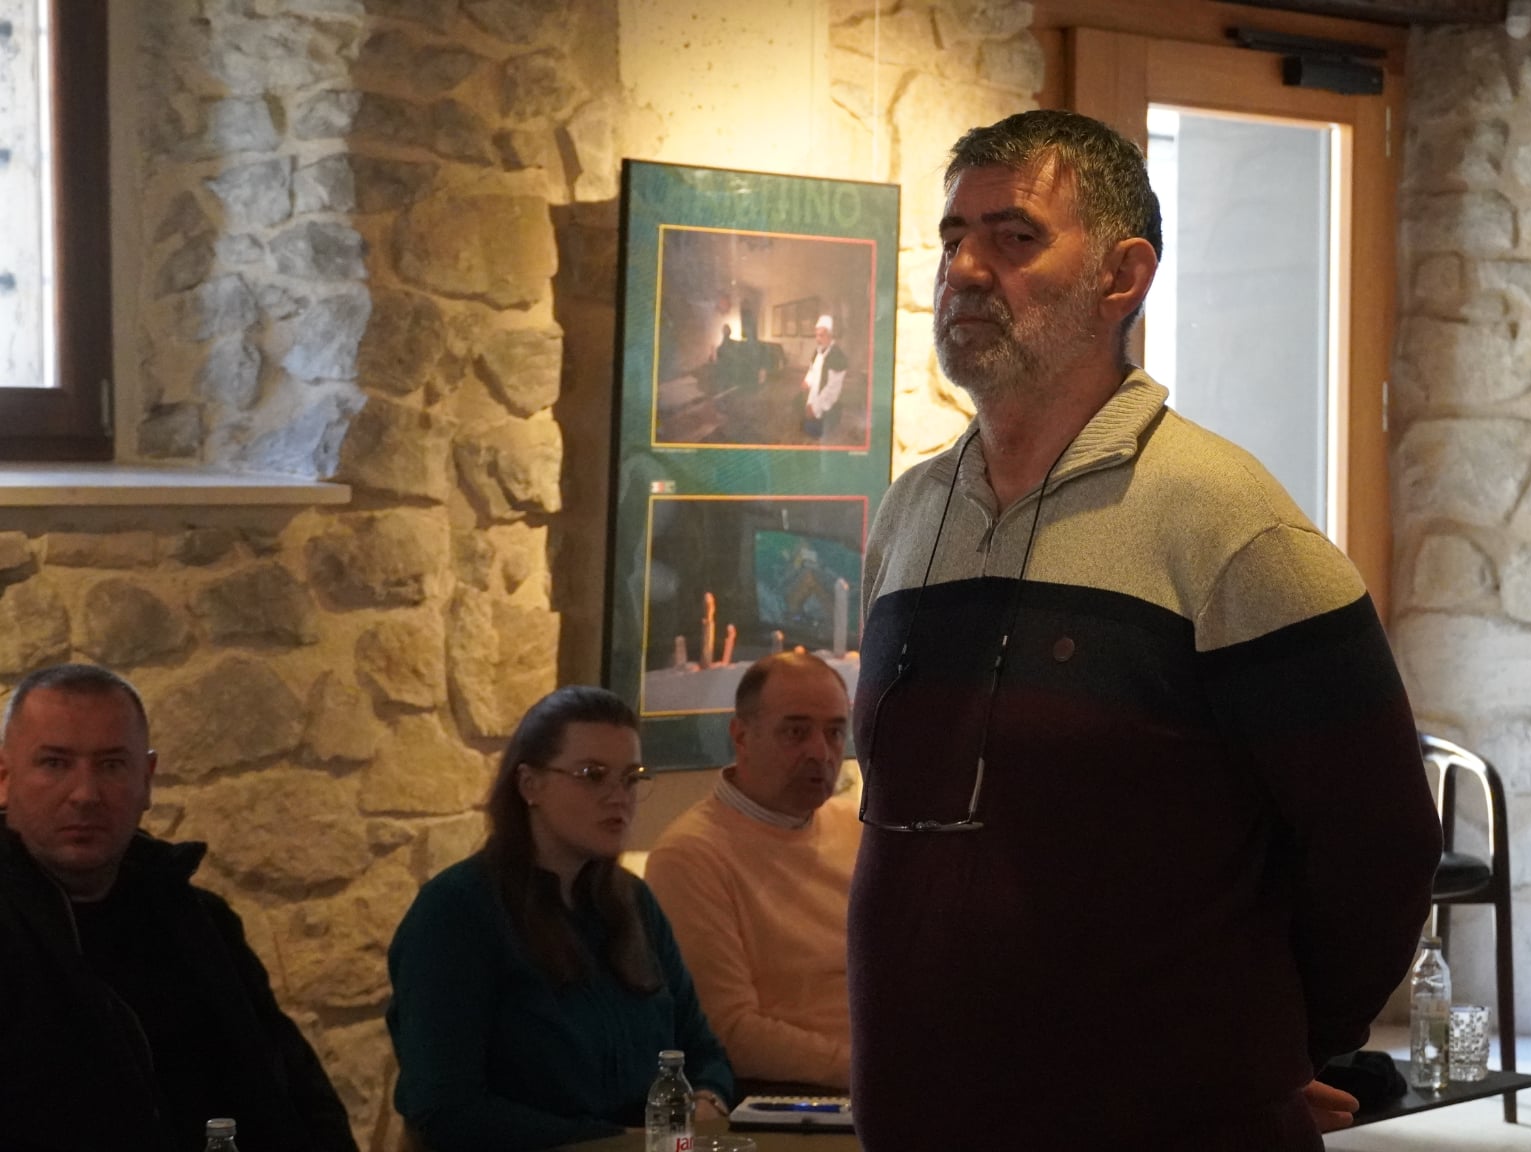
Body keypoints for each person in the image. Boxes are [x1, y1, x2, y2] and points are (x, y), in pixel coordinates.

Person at [849, 109, 1443, 1151]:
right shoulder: (910, 513)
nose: (966, 270)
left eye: (1014, 236)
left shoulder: (1225, 520)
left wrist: (1272, 1053)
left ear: (1121, 277)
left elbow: (1380, 842)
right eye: (953, 237)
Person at [0, 663, 357, 1152]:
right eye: (55, 764)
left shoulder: (196, 921)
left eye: (111, 765)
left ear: (146, 780)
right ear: (4, 778)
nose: (85, 794)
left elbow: (292, 1091)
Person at [387, 686, 735, 1152]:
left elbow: (702, 1050)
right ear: (530, 785)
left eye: (630, 778)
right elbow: (445, 1108)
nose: (619, 797)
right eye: (593, 775)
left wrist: (708, 1099)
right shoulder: (457, 911)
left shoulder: (633, 903)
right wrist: (618, 1142)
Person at [644, 653, 861, 1090]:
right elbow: (730, 1032)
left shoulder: (856, 827)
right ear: (741, 736)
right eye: (796, 732)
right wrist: (873, 1074)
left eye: (835, 732)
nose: (821, 753)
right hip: (800, 1093)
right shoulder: (690, 857)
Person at [799, 314, 849, 440]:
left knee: (812, 429)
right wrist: (807, 381)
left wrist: (815, 408)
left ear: (830, 335)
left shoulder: (837, 355)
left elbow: (832, 389)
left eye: (821, 335)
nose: (818, 339)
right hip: (815, 395)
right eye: (816, 335)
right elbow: (812, 370)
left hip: (828, 403)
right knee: (800, 410)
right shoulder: (818, 351)